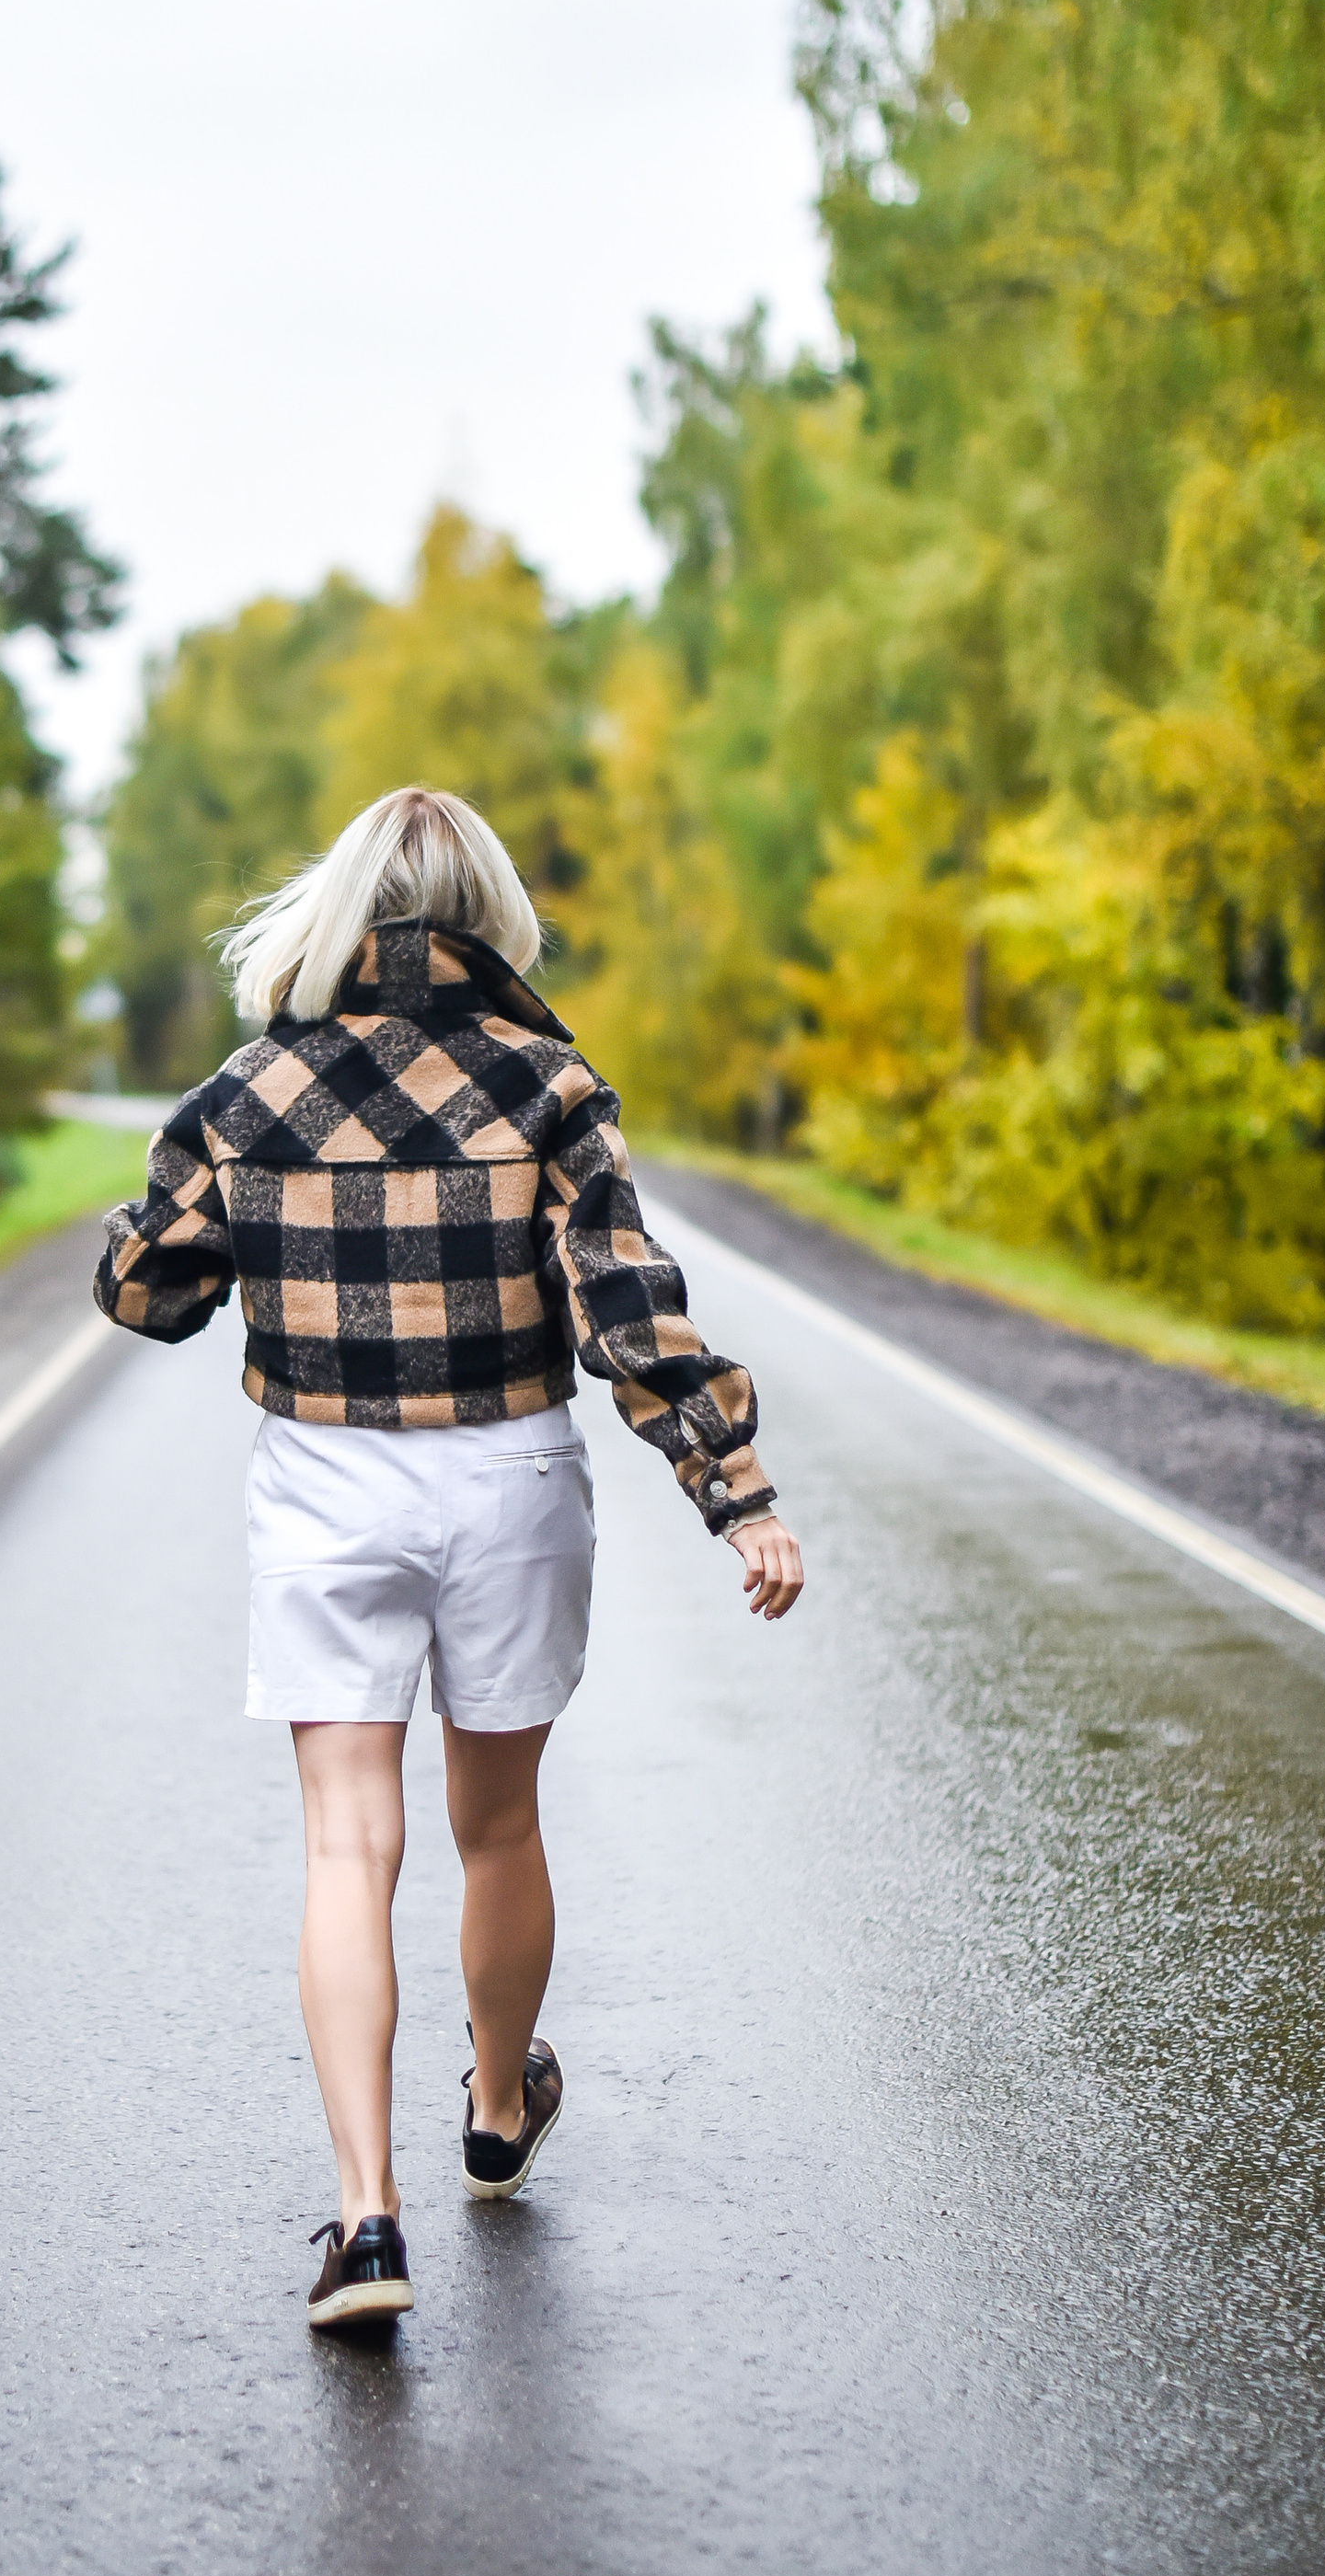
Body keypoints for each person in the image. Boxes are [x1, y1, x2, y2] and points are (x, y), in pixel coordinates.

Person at [93, 786, 803, 2333]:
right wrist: (737, 1495)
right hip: (508, 1479)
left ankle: (365, 2223)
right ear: (494, 915)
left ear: (337, 910)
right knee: (498, 1828)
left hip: (326, 1487)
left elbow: (145, 1296)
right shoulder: (551, 1087)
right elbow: (629, 1309)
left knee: (350, 1848)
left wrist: (207, 1201)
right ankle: (495, 2108)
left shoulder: (248, 1089)